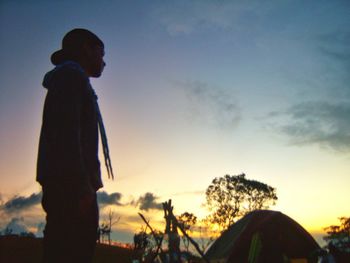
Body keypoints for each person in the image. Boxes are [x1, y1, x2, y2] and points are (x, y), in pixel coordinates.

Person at [37, 28, 114, 263]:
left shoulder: (73, 79)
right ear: (86, 49)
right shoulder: (70, 77)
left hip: (72, 186)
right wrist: (81, 186)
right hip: (71, 189)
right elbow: (66, 134)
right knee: (71, 252)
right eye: (101, 54)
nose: (104, 62)